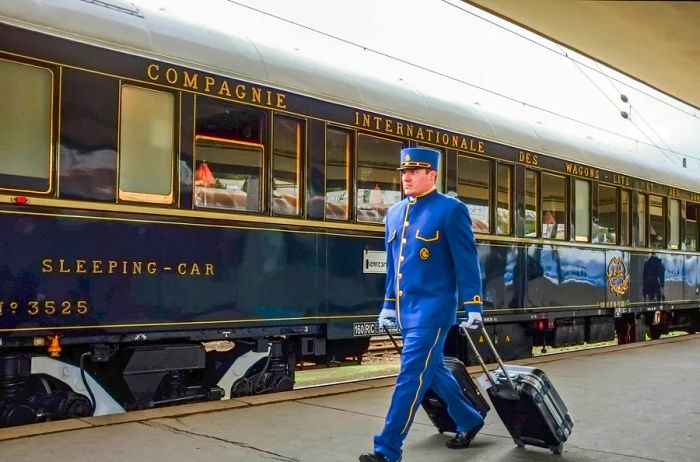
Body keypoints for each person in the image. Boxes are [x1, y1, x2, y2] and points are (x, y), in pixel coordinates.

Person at [359, 147, 485, 462]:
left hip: (434, 311)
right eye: (404, 172)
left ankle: (387, 449)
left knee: (411, 374)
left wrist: (473, 305)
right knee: (433, 370)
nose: (407, 177)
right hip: (405, 310)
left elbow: (466, 261)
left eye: (414, 172)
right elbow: (393, 265)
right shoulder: (394, 213)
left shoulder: (450, 210)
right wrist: (388, 304)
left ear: (432, 175)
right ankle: (469, 418)